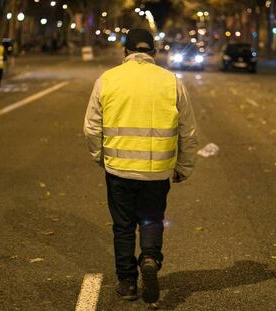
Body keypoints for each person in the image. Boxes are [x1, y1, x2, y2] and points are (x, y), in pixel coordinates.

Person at [84, 28, 198, 304]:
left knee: (123, 226)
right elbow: (188, 131)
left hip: (119, 169)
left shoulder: (107, 79)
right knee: (151, 218)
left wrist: (101, 156)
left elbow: (91, 128)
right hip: (157, 170)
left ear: (125, 52)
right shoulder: (171, 82)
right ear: (154, 53)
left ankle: (127, 283)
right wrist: (184, 166)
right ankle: (149, 257)